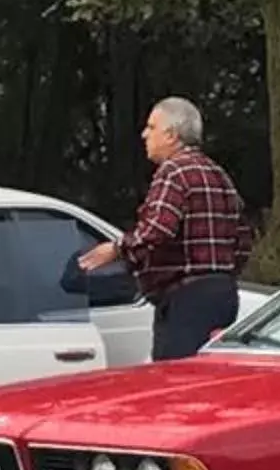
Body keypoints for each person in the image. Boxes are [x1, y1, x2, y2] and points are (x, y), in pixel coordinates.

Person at [78, 98, 251, 361]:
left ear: (171, 135)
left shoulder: (173, 171)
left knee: (175, 384)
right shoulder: (219, 175)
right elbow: (243, 239)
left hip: (186, 300)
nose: (144, 134)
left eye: (151, 127)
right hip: (223, 295)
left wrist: (116, 249)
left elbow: (157, 230)